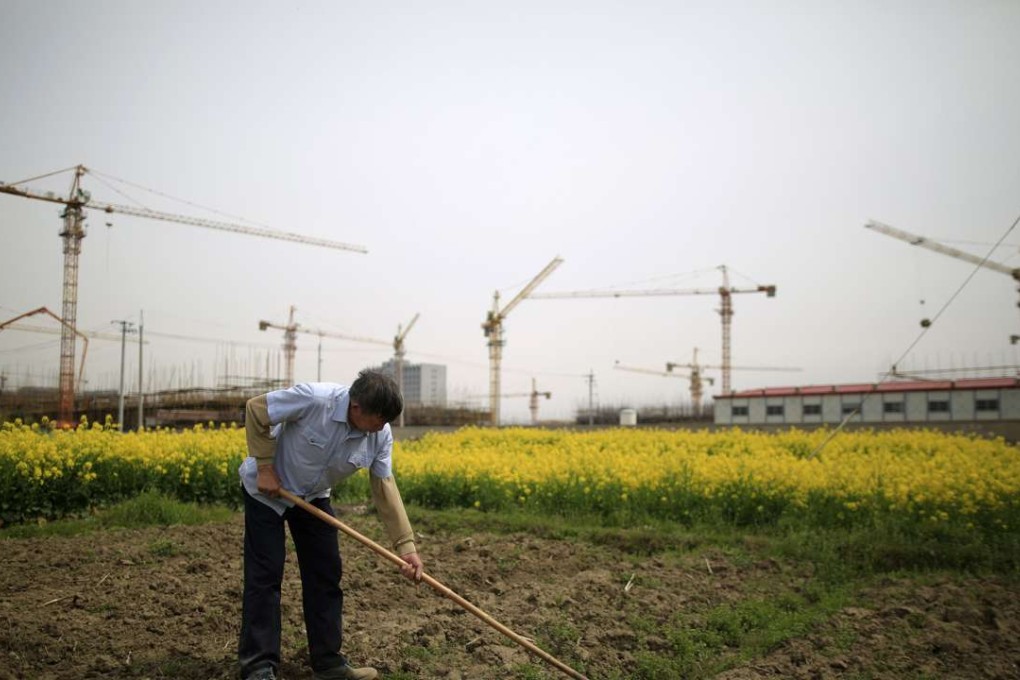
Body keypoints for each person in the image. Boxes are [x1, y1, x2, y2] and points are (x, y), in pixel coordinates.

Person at [237, 370, 424, 680]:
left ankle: (328, 663)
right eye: (378, 419)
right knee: (266, 574)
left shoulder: (380, 433)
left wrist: (406, 546)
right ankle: (258, 665)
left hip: (312, 497)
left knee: (326, 572)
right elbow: (256, 409)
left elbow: (384, 487)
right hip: (268, 492)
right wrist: (266, 466)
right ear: (356, 408)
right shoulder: (315, 399)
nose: (381, 427)